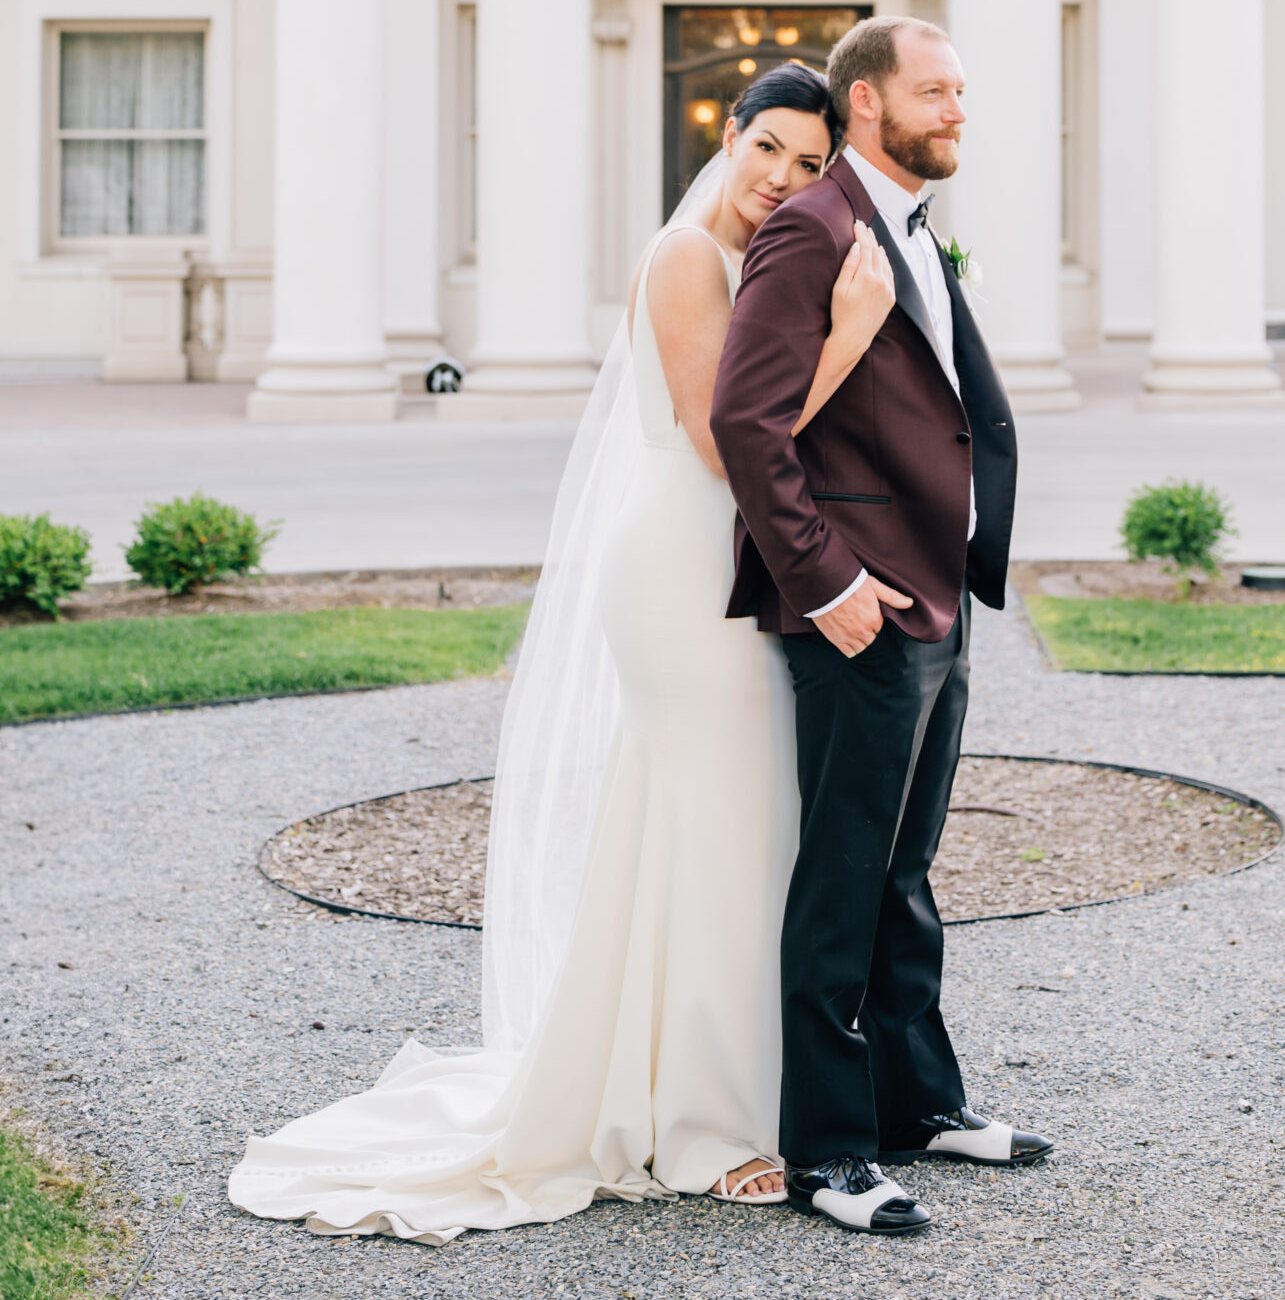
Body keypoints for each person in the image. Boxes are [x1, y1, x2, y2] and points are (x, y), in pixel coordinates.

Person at [227, 64, 896, 1242]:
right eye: (769, 150)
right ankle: (696, 1126)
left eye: (808, 164)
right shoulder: (688, 255)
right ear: (726, 138)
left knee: (738, 831)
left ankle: (729, 1089)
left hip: (740, 563)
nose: (783, 179)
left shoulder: (764, 258)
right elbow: (716, 439)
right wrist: (847, 335)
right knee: (711, 823)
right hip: (682, 566)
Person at [710, 15, 1049, 1238]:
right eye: (936, 90)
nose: (958, 109)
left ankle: (920, 1102)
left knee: (904, 870)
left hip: (937, 589)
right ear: (867, 104)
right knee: (844, 875)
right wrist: (827, 583)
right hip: (857, 604)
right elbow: (748, 427)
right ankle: (831, 1149)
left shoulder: (906, 224)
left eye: (961, 89)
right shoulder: (807, 231)